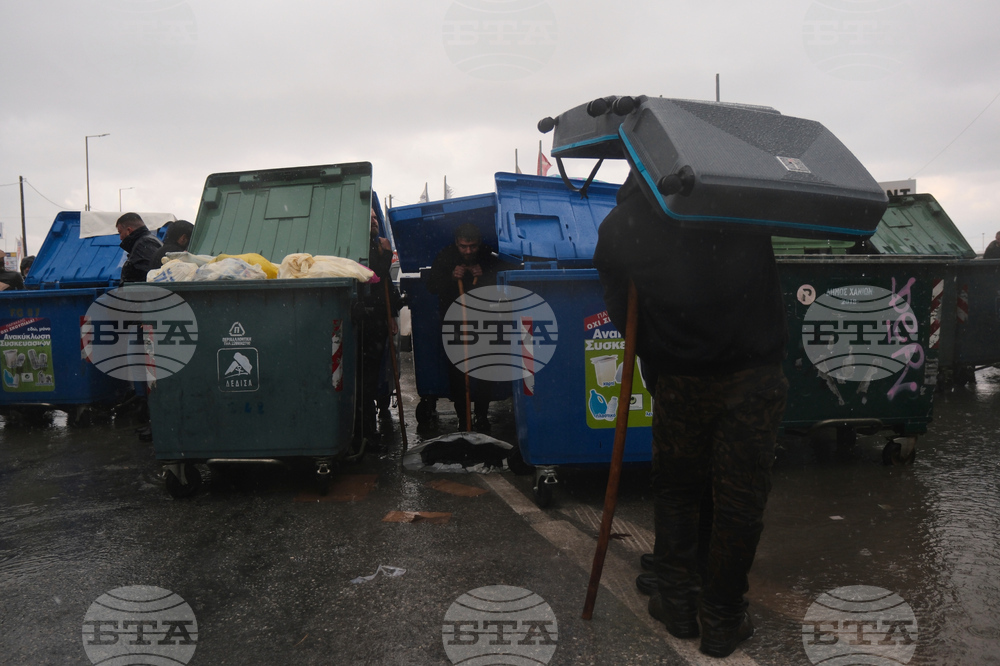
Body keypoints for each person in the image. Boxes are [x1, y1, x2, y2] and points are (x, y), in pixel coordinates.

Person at [593, 173, 789, 659]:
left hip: (680, 377)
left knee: (678, 491)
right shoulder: (742, 199)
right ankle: (722, 617)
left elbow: (618, 301)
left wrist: (658, 348)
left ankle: (677, 602)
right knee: (740, 500)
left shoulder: (622, 223)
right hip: (753, 374)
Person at [426, 223, 499, 433]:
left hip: (484, 321)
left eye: (472, 246)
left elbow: (505, 279)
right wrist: (450, 276)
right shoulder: (445, 256)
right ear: (456, 243)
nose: (468, 251)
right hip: (454, 322)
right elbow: (431, 285)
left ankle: (482, 415)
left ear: (479, 244)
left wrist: (485, 274)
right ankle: (463, 417)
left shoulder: (488, 256)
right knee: (457, 371)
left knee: (486, 369)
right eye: (463, 246)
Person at [359, 208, 401, 446]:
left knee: (372, 375)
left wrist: (392, 313)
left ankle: (369, 427)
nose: (374, 221)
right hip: (364, 319)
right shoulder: (361, 248)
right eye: (370, 218)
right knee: (364, 377)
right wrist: (386, 257)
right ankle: (366, 431)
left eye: (376, 218)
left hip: (377, 320)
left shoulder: (378, 246)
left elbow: (386, 283)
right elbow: (373, 277)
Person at [116, 213, 163, 283]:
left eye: (120, 232)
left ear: (129, 230)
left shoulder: (143, 244)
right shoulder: (149, 241)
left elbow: (152, 276)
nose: (120, 238)